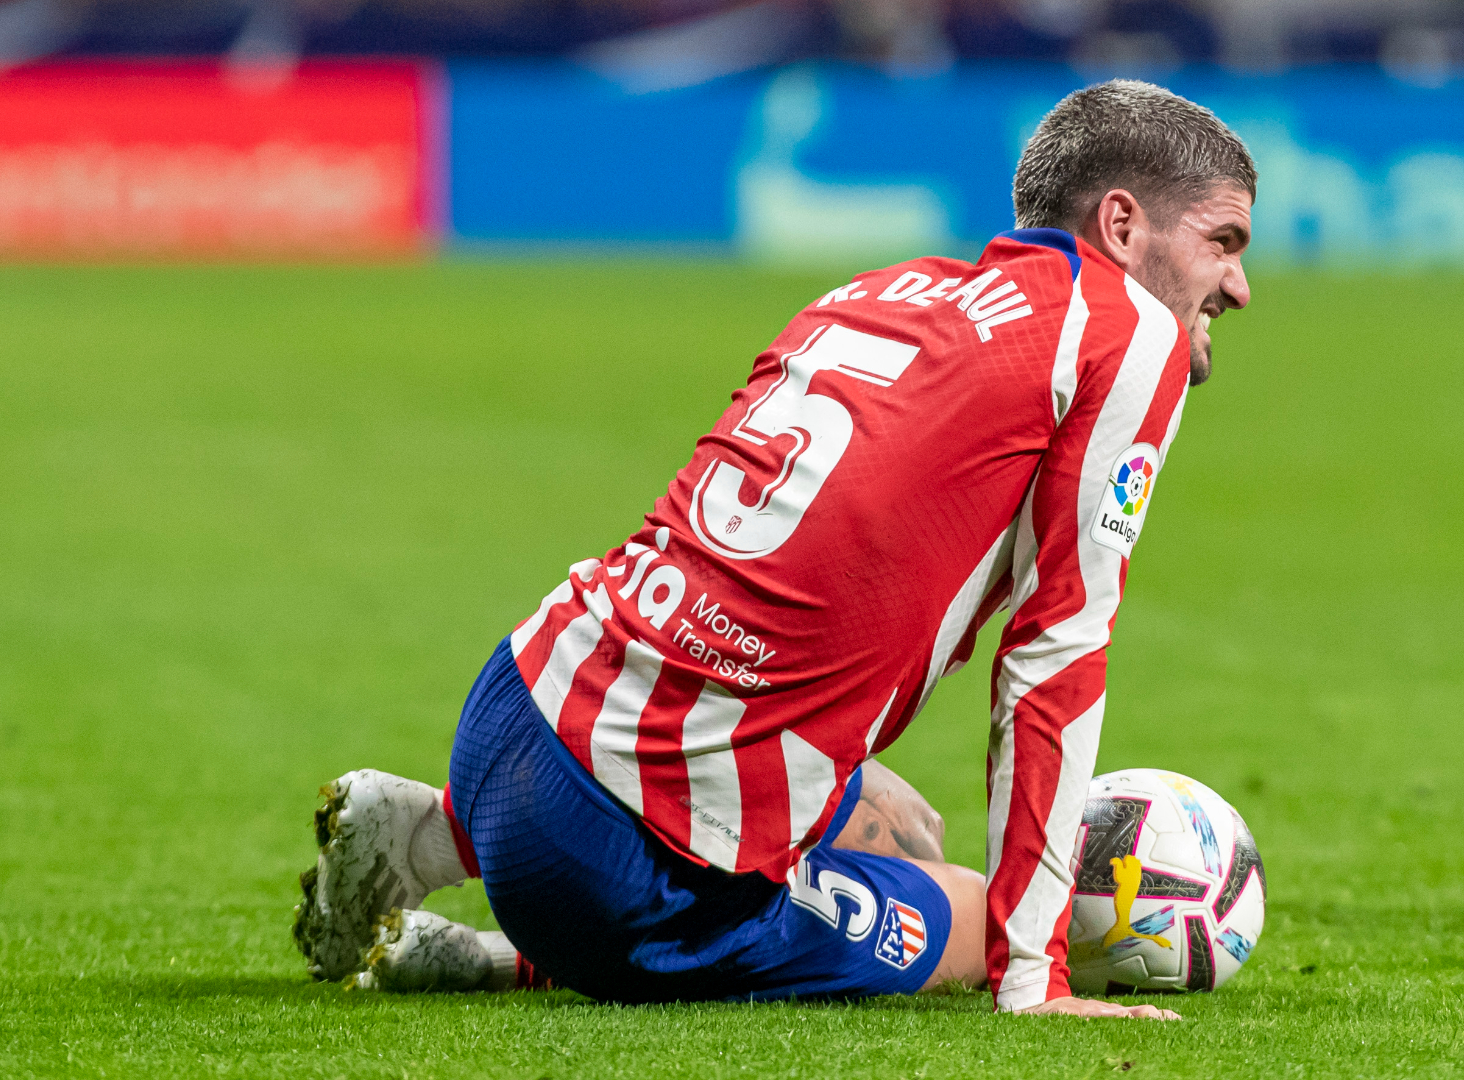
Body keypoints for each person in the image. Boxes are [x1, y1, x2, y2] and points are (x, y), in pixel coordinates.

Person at [291, 78, 1253, 1020]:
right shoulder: (1131, 334)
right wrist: (1033, 972)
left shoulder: (886, 290)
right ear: (1121, 225)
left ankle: (430, 837)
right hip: (617, 860)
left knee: (911, 829)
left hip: (517, 710)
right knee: (966, 917)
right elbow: (1055, 654)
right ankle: (504, 960)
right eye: (1223, 242)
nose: (1240, 287)